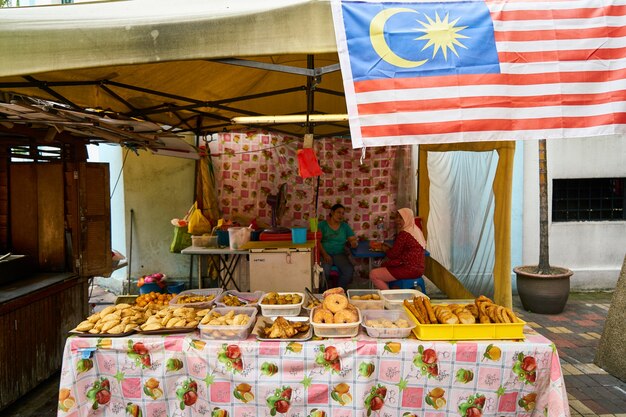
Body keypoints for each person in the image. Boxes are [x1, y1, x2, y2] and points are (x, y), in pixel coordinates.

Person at [369, 207, 426, 290]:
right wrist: (390, 248)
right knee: (385, 268)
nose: (397, 220)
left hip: (408, 268)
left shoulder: (404, 233)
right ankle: (394, 291)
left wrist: (385, 249)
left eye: (401, 218)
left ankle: (389, 298)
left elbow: (393, 255)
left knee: (374, 274)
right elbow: (405, 250)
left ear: (407, 218)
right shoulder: (415, 230)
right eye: (397, 217)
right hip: (419, 269)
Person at [319, 203, 358, 291]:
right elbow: (317, 242)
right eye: (338, 212)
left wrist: (353, 242)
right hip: (325, 253)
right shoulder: (322, 225)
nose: (341, 215)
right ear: (332, 212)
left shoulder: (344, 226)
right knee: (325, 271)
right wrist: (325, 254)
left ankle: (339, 291)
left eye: (342, 213)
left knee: (348, 270)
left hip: (339, 254)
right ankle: (323, 294)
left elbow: (352, 239)